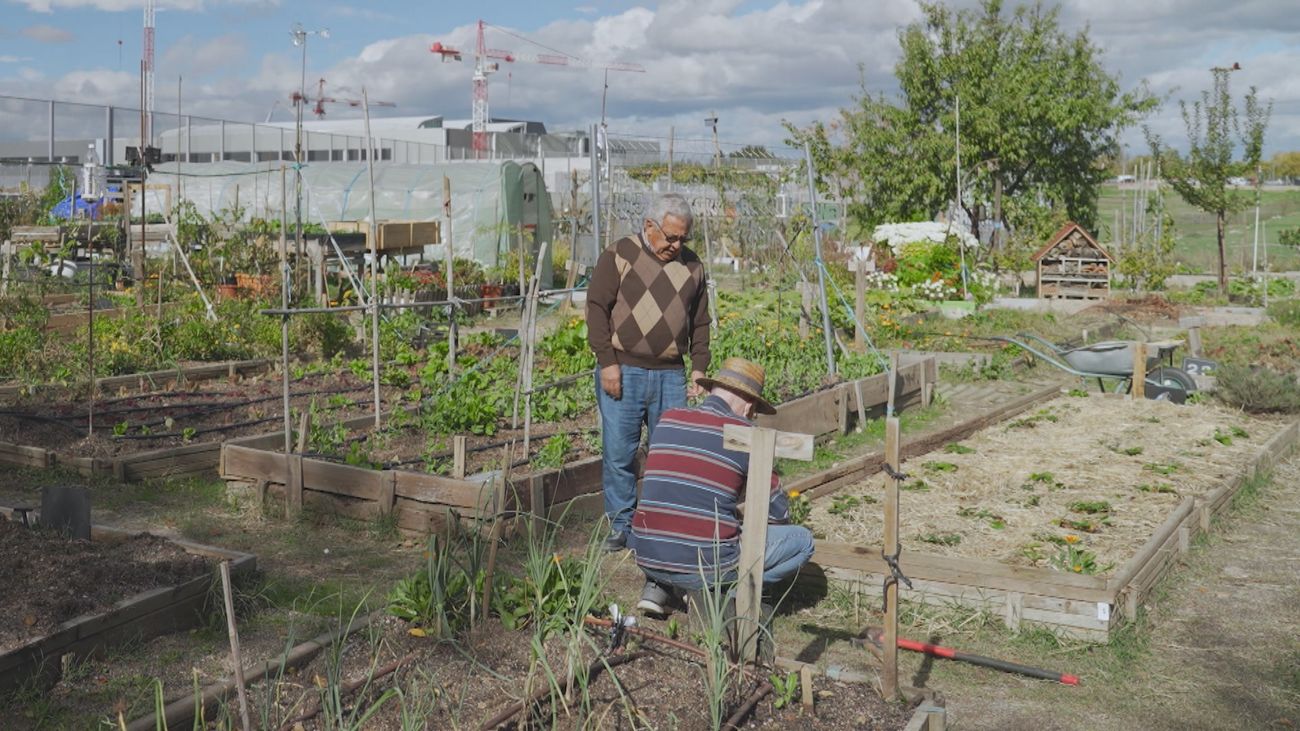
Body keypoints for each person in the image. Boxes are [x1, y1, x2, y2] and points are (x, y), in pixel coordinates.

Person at [628, 357, 815, 616]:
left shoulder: (669, 418)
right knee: (803, 541)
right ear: (749, 404)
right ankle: (725, 595)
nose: (752, 416)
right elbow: (777, 514)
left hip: (646, 553)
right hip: (703, 564)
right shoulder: (745, 434)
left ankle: (658, 587)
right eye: (754, 411)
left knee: (680, 514)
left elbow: (671, 484)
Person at [586, 193, 711, 552]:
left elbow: (701, 322)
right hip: (623, 370)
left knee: (668, 454)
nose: (676, 245)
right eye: (671, 237)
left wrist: (699, 368)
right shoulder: (619, 255)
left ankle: (657, 523)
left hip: (671, 374)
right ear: (648, 226)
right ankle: (622, 525)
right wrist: (607, 361)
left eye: (683, 239)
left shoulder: (693, 267)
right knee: (619, 453)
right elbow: (596, 308)